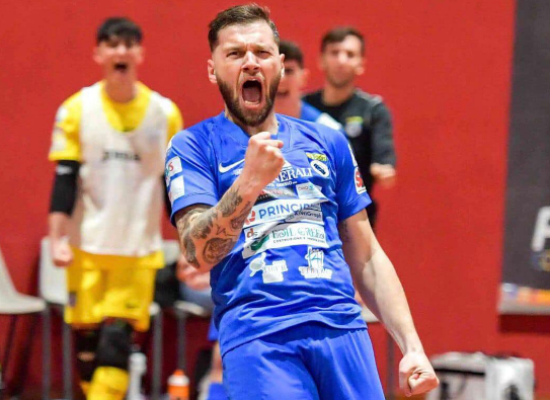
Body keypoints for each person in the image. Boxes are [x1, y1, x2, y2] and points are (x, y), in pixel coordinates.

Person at [166, 4, 438, 400]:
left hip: (342, 329)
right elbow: (197, 252)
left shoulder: (327, 141)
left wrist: (411, 345)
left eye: (261, 52)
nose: (250, 63)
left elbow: (366, 255)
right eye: (235, 53)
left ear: (280, 65)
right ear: (213, 69)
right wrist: (249, 183)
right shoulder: (193, 146)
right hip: (260, 335)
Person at [48, 17, 182, 400]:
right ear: (99, 53)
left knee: (116, 342)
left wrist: (187, 239)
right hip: (86, 248)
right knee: (88, 349)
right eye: (112, 44)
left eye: (128, 44)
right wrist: (57, 238)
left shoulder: (164, 113)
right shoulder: (76, 109)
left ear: (140, 53)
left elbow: (172, 185)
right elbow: (64, 179)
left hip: (137, 251)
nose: (120, 51)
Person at [304, 27, 396, 227]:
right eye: (334, 52)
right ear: (321, 60)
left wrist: (384, 170)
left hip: (354, 218)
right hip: (306, 216)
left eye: (350, 54)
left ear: (361, 64)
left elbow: (385, 163)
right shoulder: (303, 108)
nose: (341, 60)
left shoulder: (373, 110)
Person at [275, 40, 341, 129]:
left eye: (289, 71)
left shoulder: (328, 130)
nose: (281, 79)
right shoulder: (254, 124)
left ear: (304, 77)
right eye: (275, 71)